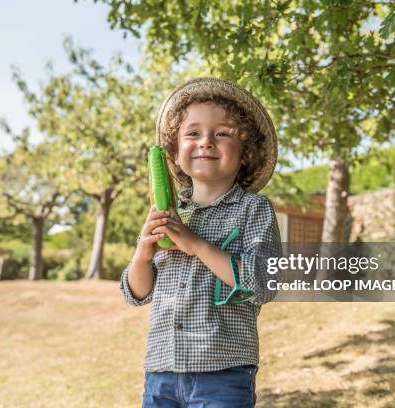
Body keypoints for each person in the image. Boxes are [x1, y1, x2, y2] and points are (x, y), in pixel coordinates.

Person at [120, 77, 282, 407]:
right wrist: (142, 252)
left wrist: (195, 244)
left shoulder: (254, 210)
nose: (205, 141)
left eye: (221, 134)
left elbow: (264, 282)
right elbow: (136, 293)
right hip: (161, 370)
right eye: (192, 133)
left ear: (245, 155)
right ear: (176, 155)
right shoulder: (167, 212)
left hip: (222, 371)